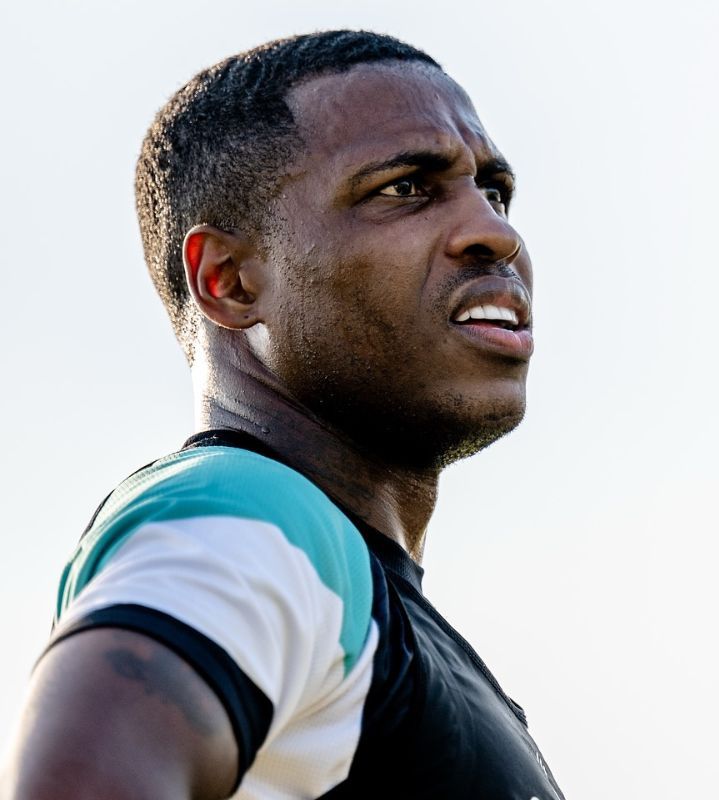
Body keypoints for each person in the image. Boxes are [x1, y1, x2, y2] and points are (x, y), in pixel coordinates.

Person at [1, 30, 563, 800]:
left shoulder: (362, 611)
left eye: (494, 191)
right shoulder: (249, 521)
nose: (496, 232)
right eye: (404, 187)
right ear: (229, 281)